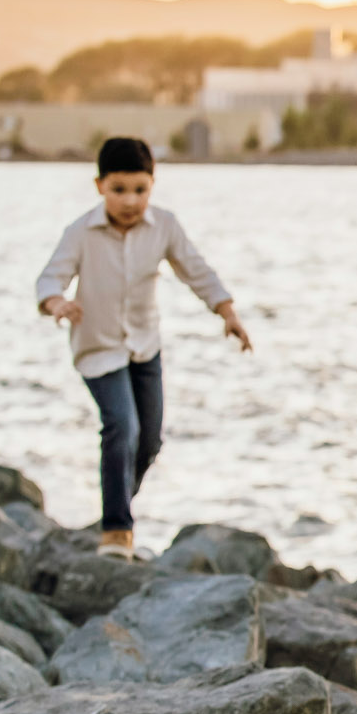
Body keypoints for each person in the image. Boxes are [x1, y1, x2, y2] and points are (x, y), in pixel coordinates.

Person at [36, 136, 251, 554]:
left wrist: (227, 312)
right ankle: (116, 531)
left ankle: (116, 505)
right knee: (122, 426)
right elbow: (50, 277)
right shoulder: (81, 232)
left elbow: (196, 270)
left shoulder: (164, 226)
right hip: (98, 350)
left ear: (153, 185)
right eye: (119, 190)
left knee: (149, 440)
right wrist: (57, 302)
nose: (130, 201)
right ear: (100, 186)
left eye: (140, 190)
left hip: (144, 348)